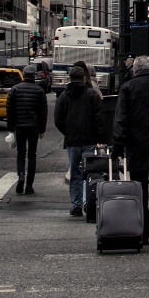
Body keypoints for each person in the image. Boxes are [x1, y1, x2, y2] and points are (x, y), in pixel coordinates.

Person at [113, 54, 149, 243]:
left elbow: (121, 119)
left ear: (135, 69)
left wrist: (118, 146)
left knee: (139, 187)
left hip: (136, 145)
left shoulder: (127, 87)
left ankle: (143, 228)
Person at [54, 62, 105, 218]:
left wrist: (68, 132)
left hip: (72, 140)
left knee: (75, 172)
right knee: (89, 172)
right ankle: (86, 201)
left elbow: (58, 119)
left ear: (69, 78)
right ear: (83, 78)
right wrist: (100, 137)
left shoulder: (63, 96)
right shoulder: (91, 94)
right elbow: (99, 118)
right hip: (89, 139)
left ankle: (75, 204)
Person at [6, 64, 48, 195]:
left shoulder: (15, 89)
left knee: (21, 154)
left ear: (23, 75)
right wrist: (42, 129)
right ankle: (29, 185)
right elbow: (43, 112)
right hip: (34, 127)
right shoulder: (39, 91)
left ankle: (21, 175)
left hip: (19, 127)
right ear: (34, 76)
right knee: (32, 155)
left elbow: (10, 110)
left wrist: (10, 128)